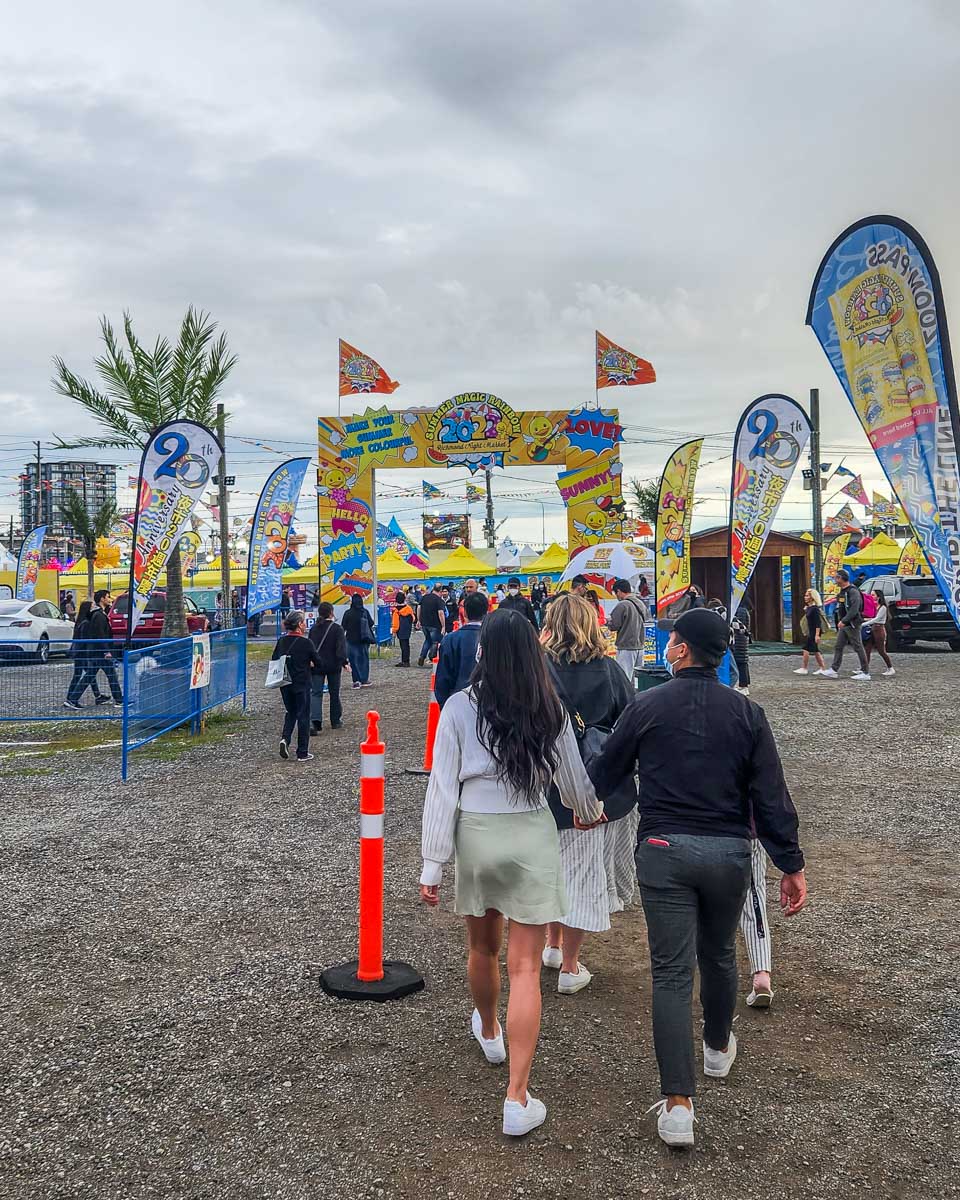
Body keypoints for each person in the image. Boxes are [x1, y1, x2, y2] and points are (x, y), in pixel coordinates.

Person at [588, 608, 807, 1149]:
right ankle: (716, 1046)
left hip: (663, 848)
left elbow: (604, 773)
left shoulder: (646, 706)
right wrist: (790, 862)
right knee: (719, 954)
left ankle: (679, 1103)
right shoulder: (748, 713)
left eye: (672, 641)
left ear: (682, 650)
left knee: (669, 972)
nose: (666, 647)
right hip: (729, 852)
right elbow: (771, 795)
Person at [419, 609, 605, 1137]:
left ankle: (489, 1027)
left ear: (483, 654)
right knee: (525, 968)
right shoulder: (550, 707)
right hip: (530, 833)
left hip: (476, 836)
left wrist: (432, 862)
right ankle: (517, 1097)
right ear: (532, 650)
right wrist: (588, 811)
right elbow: (572, 780)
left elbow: (442, 787)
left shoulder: (458, 707)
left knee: (482, 949)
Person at [540, 594, 636, 995]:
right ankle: (571, 965)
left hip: (547, 786)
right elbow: (632, 722)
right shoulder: (610, 670)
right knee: (583, 874)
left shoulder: (538, 670)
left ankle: (551, 944)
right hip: (601, 786)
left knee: (551, 870)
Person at [271, 610, 321, 762]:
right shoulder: (306, 643)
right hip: (302, 682)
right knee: (303, 715)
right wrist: (310, 665)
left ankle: (285, 739)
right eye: (303, 622)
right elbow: (318, 662)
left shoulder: (281, 642)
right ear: (299, 625)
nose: (305, 625)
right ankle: (302, 752)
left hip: (285, 683)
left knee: (291, 712)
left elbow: (274, 659)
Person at [434, 590, 487, 708]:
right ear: (486, 611)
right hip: (490, 704)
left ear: (465, 613)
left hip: (458, 702)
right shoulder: (494, 637)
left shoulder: (450, 640)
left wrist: (446, 708)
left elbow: (442, 681)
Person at [821, 569, 870, 680]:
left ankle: (866, 672)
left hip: (852, 623)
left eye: (836, 578)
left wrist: (844, 620)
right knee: (838, 646)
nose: (835, 580)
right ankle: (834, 669)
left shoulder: (852, 591)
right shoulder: (842, 592)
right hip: (843, 624)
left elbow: (854, 608)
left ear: (841, 578)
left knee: (858, 646)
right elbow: (842, 605)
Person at [309, 602, 348, 732]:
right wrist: (344, 662)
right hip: (333, 665)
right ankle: (335, 720)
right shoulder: (337, 629)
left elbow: (311, 647)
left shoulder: (314, 629)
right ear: (331, 612)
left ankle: (315, 721)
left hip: (317, 665)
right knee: (334, 693)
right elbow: (340, 649)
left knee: (316, 693)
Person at [64, 599, 106, 709]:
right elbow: (85, 640)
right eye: (92, 606)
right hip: (82, 653)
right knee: (83, 675)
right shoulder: (86, 623)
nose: (94, 607)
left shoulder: (80, 622)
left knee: (87, 675)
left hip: (78, 652)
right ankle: (72, 699)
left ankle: (96, 696)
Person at [85, 590, 123, 705]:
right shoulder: (99, 615)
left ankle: (72, 698)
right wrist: (106, 651)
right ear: (102, 599)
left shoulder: (101, 614)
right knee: (111, 675)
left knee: (90, 676)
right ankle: (119, 699)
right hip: (100, 652)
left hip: (98, 651)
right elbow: (100, 634)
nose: (109, 599)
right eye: (107, 597)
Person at [608, 578, 648, 681]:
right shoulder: (640, 603)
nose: (616, 596)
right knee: (638, 680)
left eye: (615, 593)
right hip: (640, 646)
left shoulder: (623, 605)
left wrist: (607, 622)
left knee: (623, 678)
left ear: (619, 591)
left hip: (626, 646)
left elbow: (614, 626)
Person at [341, 594, 376, 688]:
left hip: (351, 640)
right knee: (364, 660)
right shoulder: (364, 612)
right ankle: (364, 679)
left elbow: (343, 626)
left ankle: (356, 680)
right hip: (364, 639)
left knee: (353, 661)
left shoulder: (348, 613)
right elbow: (371, 623)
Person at [794, 588, 827, 675]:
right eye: (805, 595)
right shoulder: (810, 608)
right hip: (811, 631)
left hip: (814, 632)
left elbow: (817, 623)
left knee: (806, 649)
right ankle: (822, 668)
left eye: (807, 595)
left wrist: (817, 635)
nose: (805, 597)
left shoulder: (815, 609)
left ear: (812, 597)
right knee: (815, 650)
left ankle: (804, 668)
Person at [863, 594, 895, 676]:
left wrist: (864, 624)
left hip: (879, 630)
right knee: (867, 649)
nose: (872, 596)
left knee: (881, 651)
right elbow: (874, 617)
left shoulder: (883, 607)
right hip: (873, 629)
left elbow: (877, 619)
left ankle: (890, 667)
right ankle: (864, 668)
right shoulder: (877, 606)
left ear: (879, 596)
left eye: (874, 595)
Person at [416, 582, 446, 667]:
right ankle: (432, 658)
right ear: (440, 590)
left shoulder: (424, 597)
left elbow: (419, 608)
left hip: (425, 623)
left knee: (427, 640)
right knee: (435, 642)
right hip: (435, 624)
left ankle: (422, 656)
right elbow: (441, 613)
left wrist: (419, 620)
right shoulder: (438, 600)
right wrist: (443, 626)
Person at [732, 603, 751, 696]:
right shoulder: (744, 610)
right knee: (743, 663)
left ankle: (743, 686)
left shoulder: (740, 610)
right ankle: (744, 685)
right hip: (742, 640)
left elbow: (738, 625)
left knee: (740, 663)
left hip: (739, 640)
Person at [392, 590, 415, 667]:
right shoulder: (408, 608)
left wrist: (394, 631)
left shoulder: (396, 610)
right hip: (407, 629)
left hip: (400, 630)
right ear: (404, 599)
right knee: (407, 645)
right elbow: (413, 618)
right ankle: (406, 660)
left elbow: (395, 622)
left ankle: (404, 661)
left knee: (403, 646)